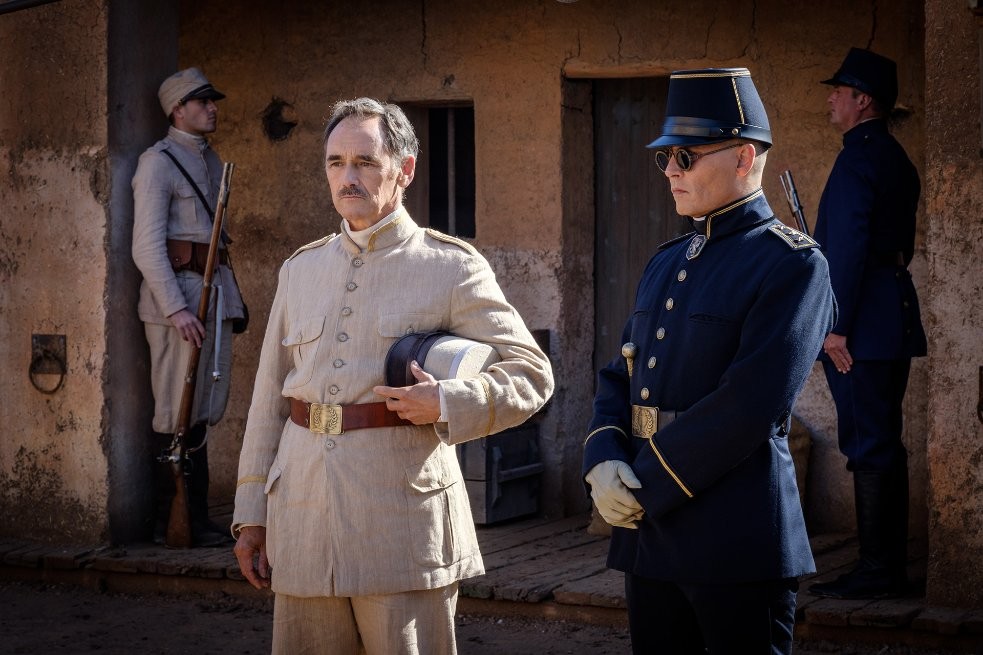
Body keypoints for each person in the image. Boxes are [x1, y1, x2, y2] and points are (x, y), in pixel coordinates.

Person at [231, 97, 553, 654]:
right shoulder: (300, 269)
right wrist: (251, 516)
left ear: (404, 169)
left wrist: (448, 401)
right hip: (303, 520)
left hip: (401, 523)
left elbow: (531, 373)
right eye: (336, 163)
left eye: (364, 162)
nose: (347, 178)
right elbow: (268, 403)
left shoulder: (450, 266)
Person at [582, 68, 835, 653]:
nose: (670, 170)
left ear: (744, 157)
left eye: (686, 156)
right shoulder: (667, 260)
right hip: (650, 537)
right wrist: (602, 457)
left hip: (734, 537)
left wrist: (644, 483)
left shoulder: (793, 265)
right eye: (666, 157)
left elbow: (749, 405)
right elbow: (620, 373)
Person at [809, 48, 927, 600]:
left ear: (864, 101)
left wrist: (835, 325)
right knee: (881, 440)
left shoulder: (857, 159)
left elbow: (849, 249)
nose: (831, 98)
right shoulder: (894, 157)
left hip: (860, 325)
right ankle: (884, 566)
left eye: (841, 90)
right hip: (890, 314)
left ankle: (880, 571)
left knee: (869, 442)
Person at [132, 67, 246, 547]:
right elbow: (146, 247)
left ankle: (194, 517)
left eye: (212, 101)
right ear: (178, 110)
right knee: (173, 411)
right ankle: (172, 518)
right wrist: (176, 309)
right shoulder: (157, 163)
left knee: (200, 408)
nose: (212, 108)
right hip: (178, 301)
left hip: (210, 294)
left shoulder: (208, 158)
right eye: (202, 102)